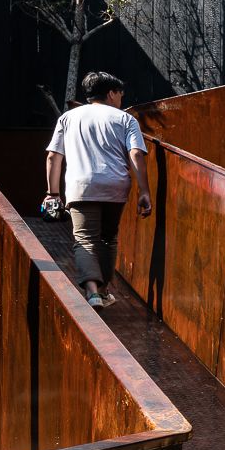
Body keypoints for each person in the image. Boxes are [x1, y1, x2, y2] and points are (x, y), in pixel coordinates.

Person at [45, 71, 152, 308]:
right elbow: (135, 154)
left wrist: (52, 193)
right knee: (107, 239)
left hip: (80, 187)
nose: (121, 100)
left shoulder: (68, 118)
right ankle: (103, 292)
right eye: (120, 95)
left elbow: (54, 157)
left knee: (85, 239)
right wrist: (144, 191)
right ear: (112, 93)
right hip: (115, 185)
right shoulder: (125, 119)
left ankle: (92, 293)